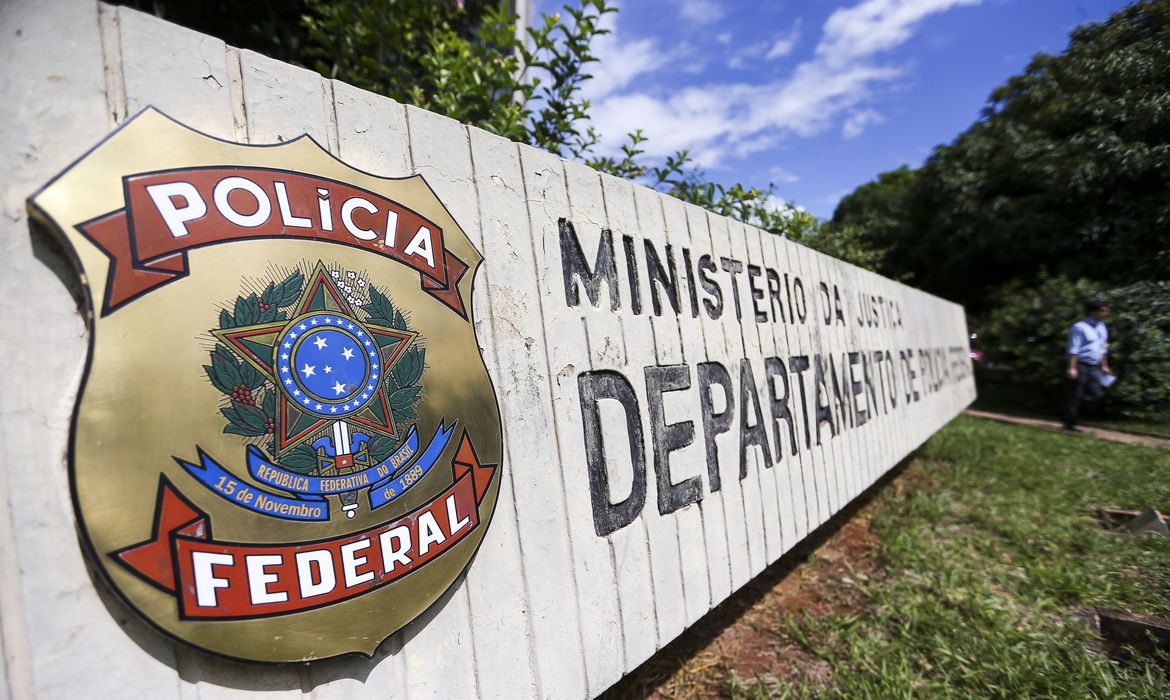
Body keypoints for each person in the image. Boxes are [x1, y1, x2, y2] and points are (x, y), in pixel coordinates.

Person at [1062, 300, 1112, 431]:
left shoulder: (1102, 327)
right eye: (1103, 311)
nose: (1106, 313)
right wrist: (1072, 368)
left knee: (1095, 394)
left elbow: (1103, 348)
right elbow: (1073, 349)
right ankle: (1070, 424)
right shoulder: (1080, 327)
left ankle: (1072, 413)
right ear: (1093, 311)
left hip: (1093, 365)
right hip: (1079, 364)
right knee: (1075, 394)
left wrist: (1104, 365)